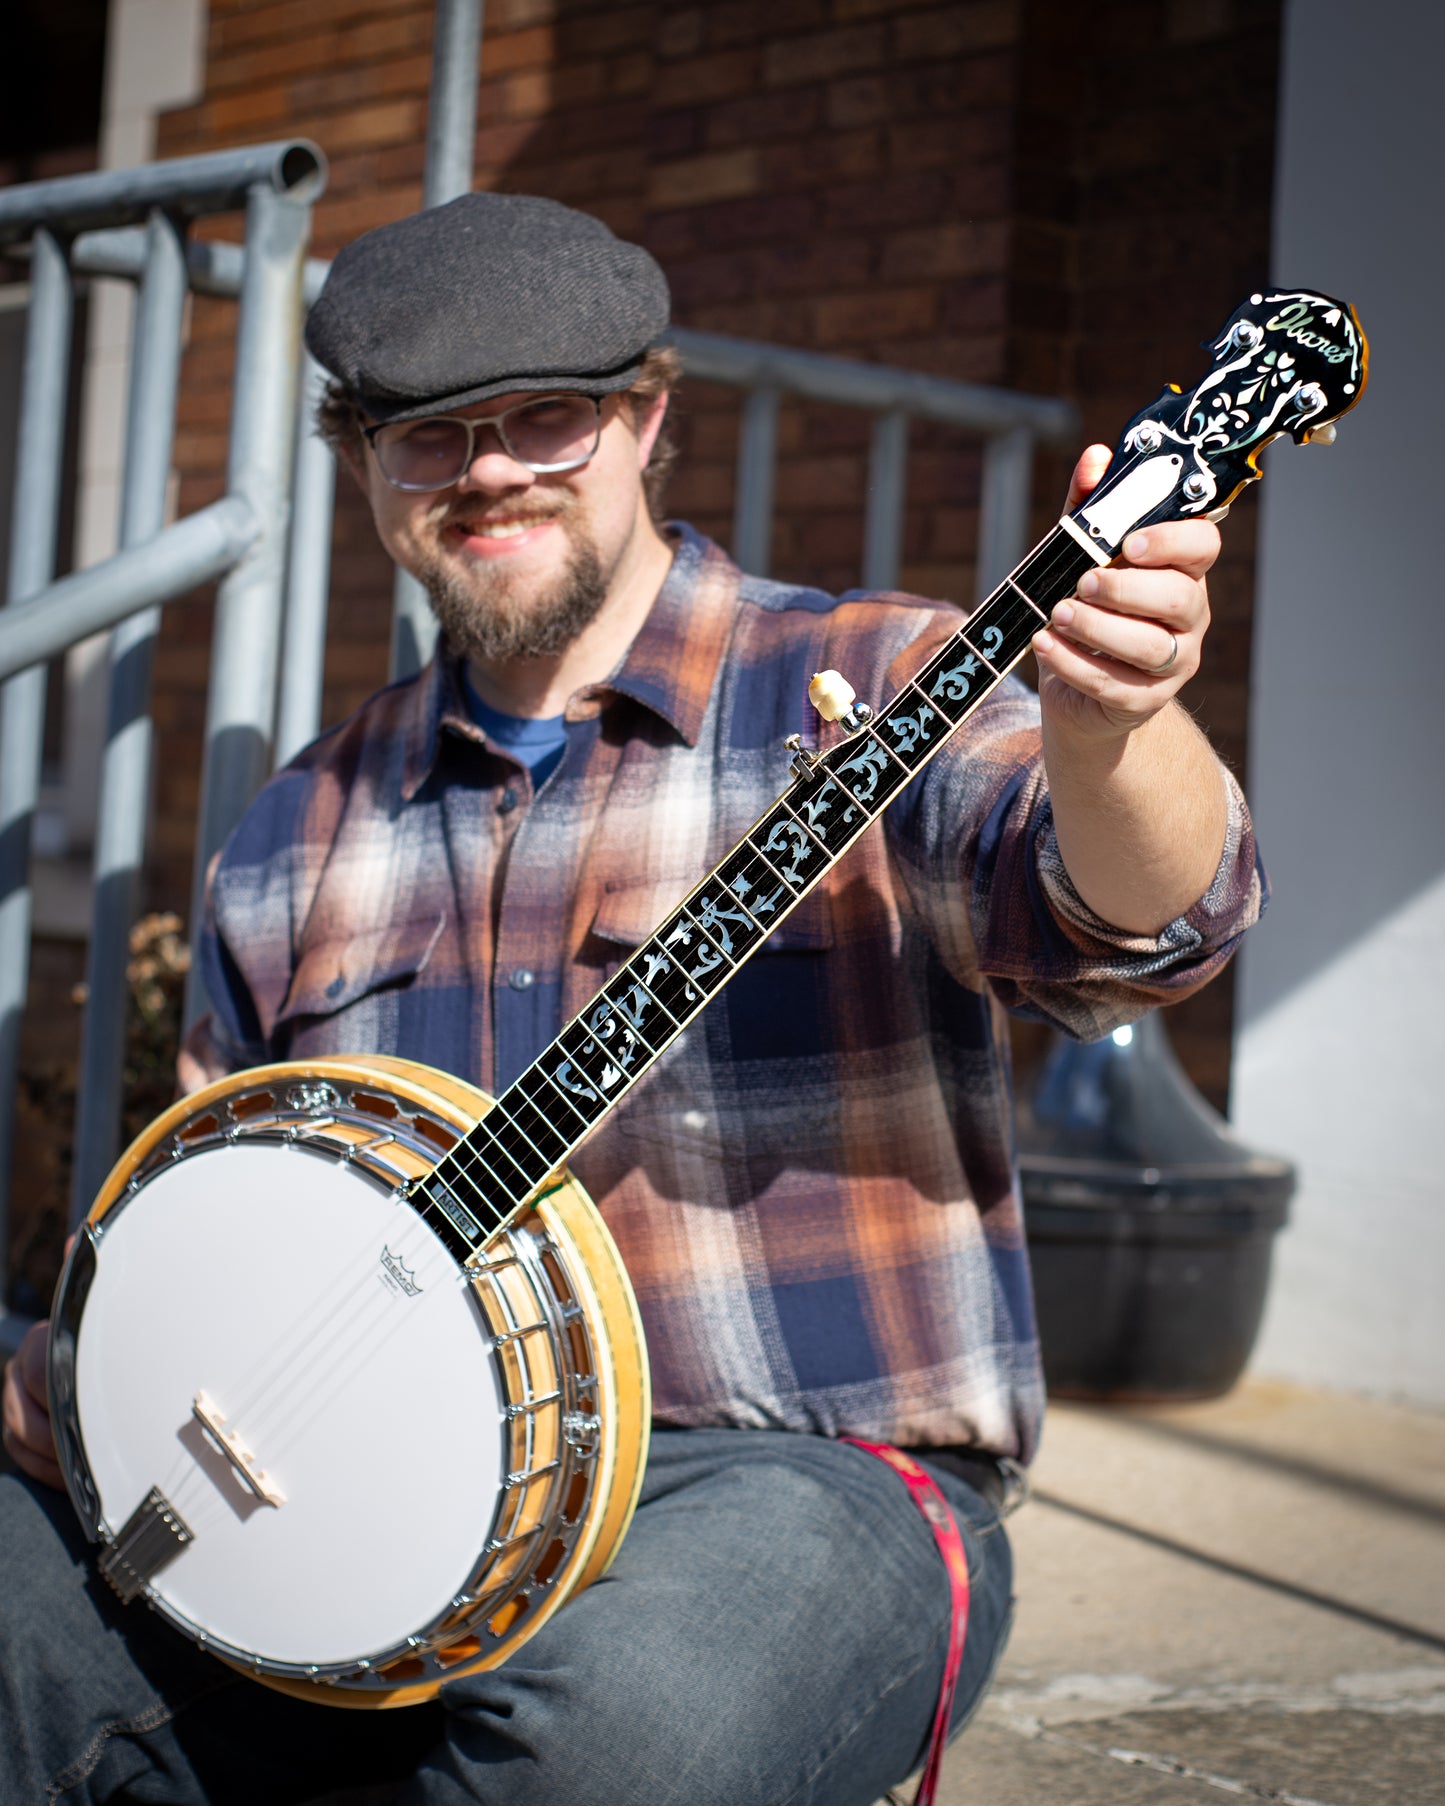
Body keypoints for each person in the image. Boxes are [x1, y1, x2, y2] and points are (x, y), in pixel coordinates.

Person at [1, 193, 1262, 1804]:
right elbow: (223, 1200)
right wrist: (86, 1361)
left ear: (647, 417)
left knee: (617, 1752)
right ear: (364, 470)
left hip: (790, 1472)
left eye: (547, 416)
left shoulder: (877, 682)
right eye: (428, 437)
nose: (492, 470)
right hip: (349, 1487)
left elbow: (1143, 922)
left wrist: (1112, 726)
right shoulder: (299, 824)